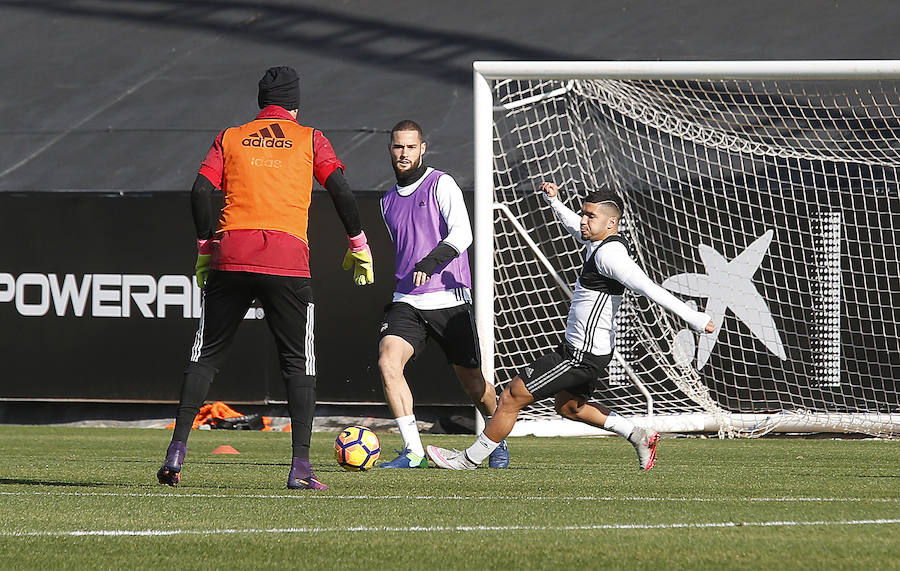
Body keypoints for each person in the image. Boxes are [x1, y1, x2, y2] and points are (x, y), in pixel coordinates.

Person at [156, 66, 374, 491]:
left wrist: (205, 248)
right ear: (296, 103)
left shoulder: (231, 136)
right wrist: (358, 242)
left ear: (261, 102)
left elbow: (200, 191)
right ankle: (301, 468)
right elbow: (341, 189)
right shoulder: (311, 137)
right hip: (286, 259)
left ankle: (176, 451)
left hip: (231, 254)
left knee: (207, 354)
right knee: (299, 362)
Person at [427, 181, 715, 470]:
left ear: (611, 222)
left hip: (581, 354)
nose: (583, 221)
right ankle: (639, 436)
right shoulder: (599, 241)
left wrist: (698, 320)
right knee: (569, 407)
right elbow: (574, 227)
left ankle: (468, 460)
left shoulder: (610, 255)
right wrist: (555, 202)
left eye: (591, 216)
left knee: (512, 395)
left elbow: (650, 288)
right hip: (588, 349)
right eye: (584, 213)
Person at [376, 120, 508, 469]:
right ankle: (413, 450)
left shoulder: (441, 183)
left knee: (474, 385)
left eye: (410, 146)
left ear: (423, 148)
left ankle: (498, 436)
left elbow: (463, 233)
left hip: (448, 299)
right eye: (397, 147)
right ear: (390, 149)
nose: (403, 153)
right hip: (406, 299)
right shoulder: (387, 201)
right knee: (388, 362)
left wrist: (432, 262)